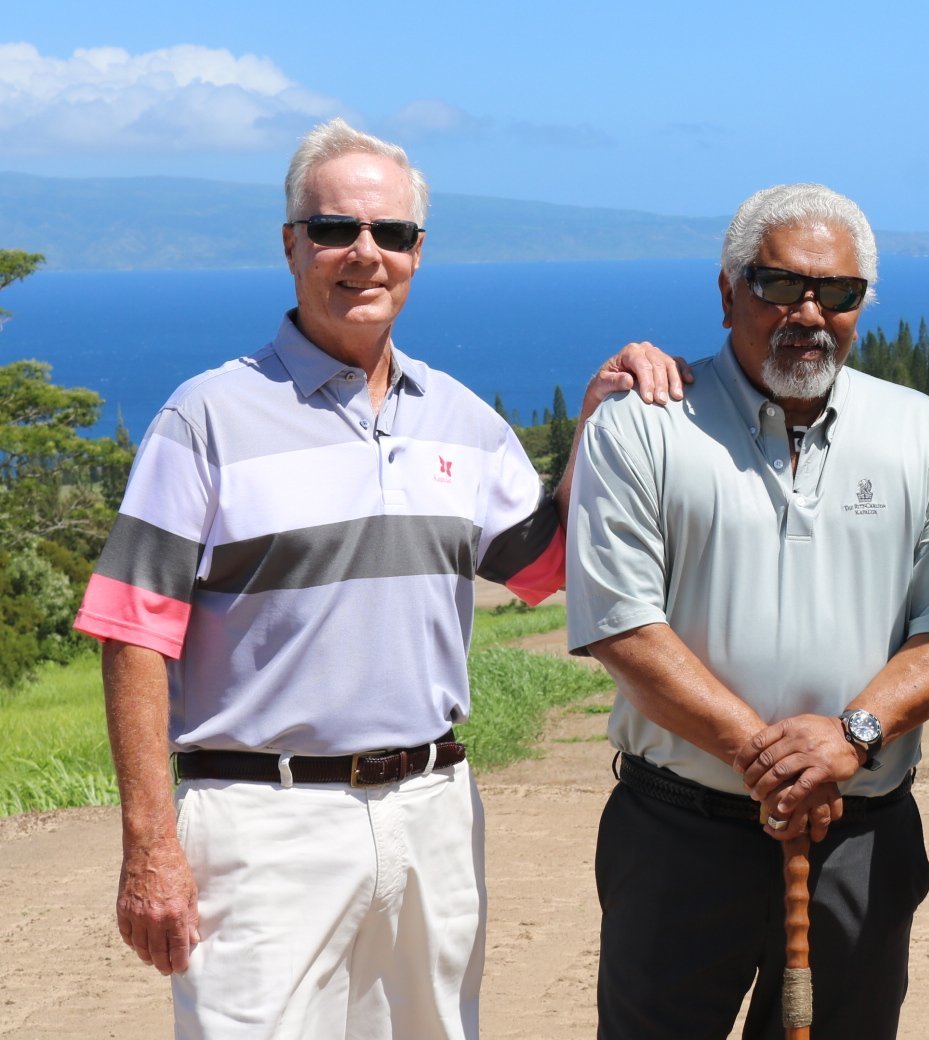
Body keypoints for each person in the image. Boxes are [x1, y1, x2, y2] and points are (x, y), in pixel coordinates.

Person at [74, 119, 582, 1038]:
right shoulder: (207, 419)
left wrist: (598, 427)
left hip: (434, 815)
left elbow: (545, 569)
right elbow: (131, 630)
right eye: (334, 229)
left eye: (390, 234)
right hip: (260, 825)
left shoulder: (461, 422)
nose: (364, 254)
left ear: (418, 253)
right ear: (290, 244)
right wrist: (149, 847)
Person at [566, 183, 929, 1040]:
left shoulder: (925, 436)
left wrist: (851, 735)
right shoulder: (643, 425)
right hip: (679, 838)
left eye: (839, 292)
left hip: (859, 836)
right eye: (780, 285)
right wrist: (775, 759)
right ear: (726, 291)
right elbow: (621, 624)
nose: (810, 312)